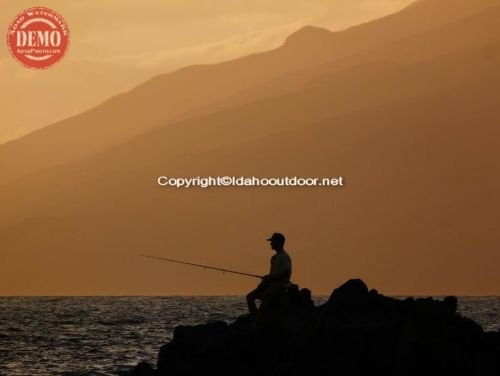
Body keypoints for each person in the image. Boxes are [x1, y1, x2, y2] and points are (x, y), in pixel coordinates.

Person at [246, 232, 292, 324]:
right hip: (272, 284)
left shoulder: (284, 256)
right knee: (250, 297)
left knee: (267, 296)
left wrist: (271, 277)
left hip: (280, 285)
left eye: (272, 241)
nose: (270, 243)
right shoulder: (275, 257)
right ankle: (255, 318)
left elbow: (286, 272)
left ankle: (260, 319)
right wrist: (267, 280)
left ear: (278, 242)